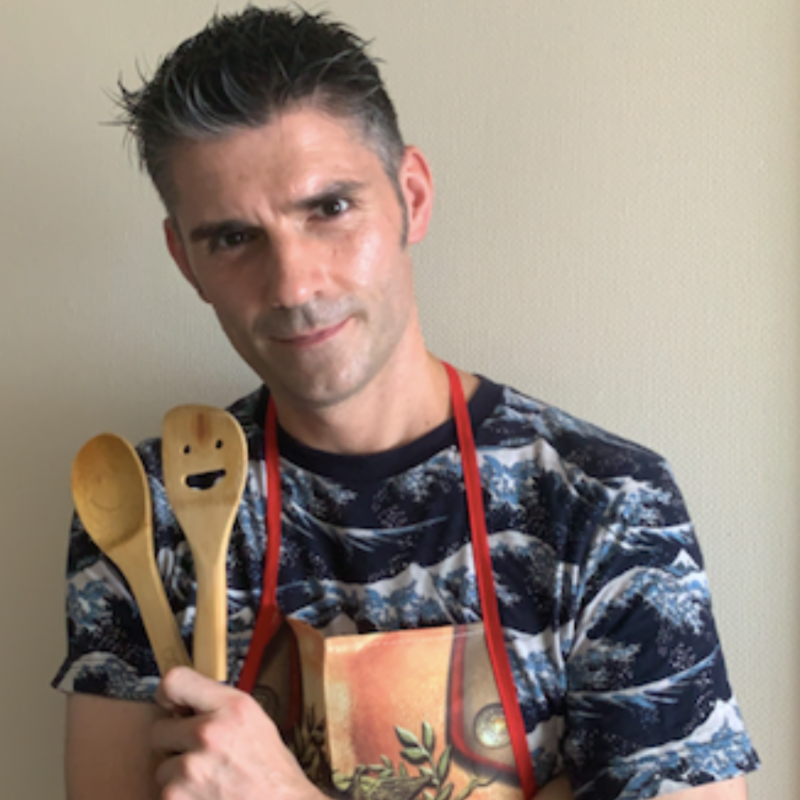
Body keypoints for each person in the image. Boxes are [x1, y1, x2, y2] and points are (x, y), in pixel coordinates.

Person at [53, 7, 759, 800]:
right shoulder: (151, 514)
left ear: (412, 197)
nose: (294, 285)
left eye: (329, 209)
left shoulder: (606, 504)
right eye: (233, 238)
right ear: (186, 260)